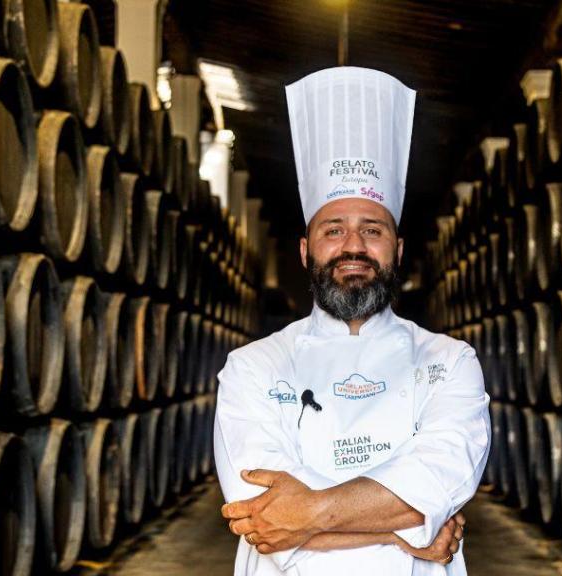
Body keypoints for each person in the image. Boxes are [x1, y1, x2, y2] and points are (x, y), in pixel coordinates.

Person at [214, 66, 491, 576]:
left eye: (373, 230)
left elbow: (441, 476)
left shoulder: (450, 361)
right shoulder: (252, 367)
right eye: (333, 230)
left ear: (397, 250)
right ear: (306, 251)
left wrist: (308, 514)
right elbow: (264, 519)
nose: (354, 247)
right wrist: (407, 528)